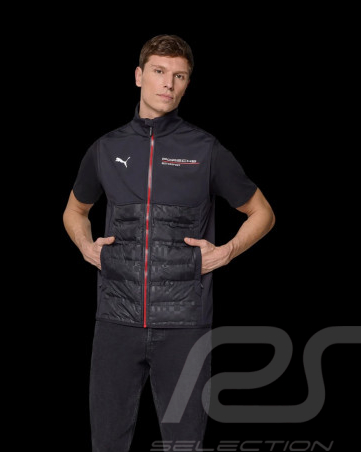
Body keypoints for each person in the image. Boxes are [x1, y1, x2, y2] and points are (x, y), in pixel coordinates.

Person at [63, 34, 275, 452]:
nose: (168, 83)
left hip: (185, 326)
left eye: (179, 76)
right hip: (116, 322)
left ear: (187, 83)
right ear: (138, 76)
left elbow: (263, 213)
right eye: (159, 72)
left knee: (184, 445)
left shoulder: (206, 150)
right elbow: (74, 210)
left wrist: (226, 252)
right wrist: (86, 246)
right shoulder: (106, 148)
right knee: (106, 444)